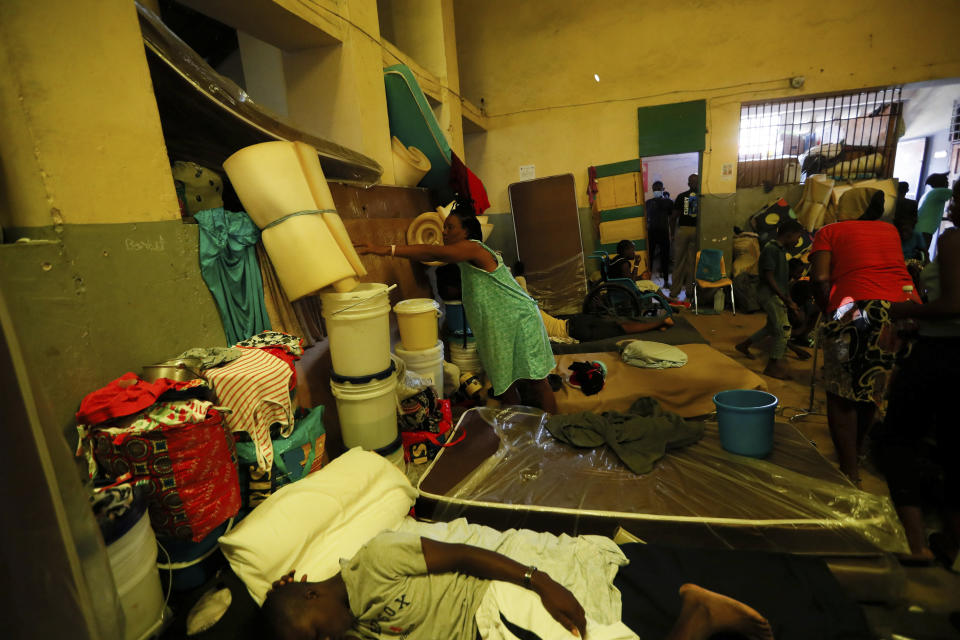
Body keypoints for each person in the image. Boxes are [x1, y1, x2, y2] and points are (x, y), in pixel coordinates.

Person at [260, 531, 775, 640]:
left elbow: (464, 554)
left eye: (317, 634)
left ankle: (698, 615)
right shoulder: (350, 625)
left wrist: (540, 579)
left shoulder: (374, 562)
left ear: (312, 596)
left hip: (494, 612)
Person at [356, 206, 557, 413]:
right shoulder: (467, 260)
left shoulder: (474, 248)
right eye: (444, 227)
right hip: (500, 328)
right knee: (504, 384)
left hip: (519, 320)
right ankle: (517, 433)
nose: (444, 232)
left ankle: (553, 429)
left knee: (536, 381)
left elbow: (433, 251)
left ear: (466, 231)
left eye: (450, 227)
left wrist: (386, 249)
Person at [808, 193, 921, 485]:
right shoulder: (890, 230)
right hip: (903, 310)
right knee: (874, 387)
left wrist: (831, 313)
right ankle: (855, 455)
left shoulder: (829, 231)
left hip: (857, 308)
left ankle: (849, 473)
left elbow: (820, 279)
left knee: (840, 389)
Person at [878, 179, 960, 564]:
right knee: (952, 448)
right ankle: (950, 541)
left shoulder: (953, 240)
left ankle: (917, 544)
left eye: (956, 200)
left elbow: (952, 305)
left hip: (943, 353)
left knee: (898, 440)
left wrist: (906, 312)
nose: (950, 207)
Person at [734, 220, 806, 379]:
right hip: (769, 295)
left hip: (776, 294)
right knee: (783, 330)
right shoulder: (771, 249)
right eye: (797, 237)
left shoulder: (780, 251)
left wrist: (787, 298)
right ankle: (773, 366)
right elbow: (769, 276)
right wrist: (784, 298)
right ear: (789, 235)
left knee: (772, 327)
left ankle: (744, 345)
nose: (797, 241)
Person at [671, 174, 700, 301]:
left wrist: (672, 233)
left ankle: (674, 292)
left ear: (688, 183)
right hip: (697, 231)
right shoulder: (702, 197)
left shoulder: (682, 196)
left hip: (683, 230)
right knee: (692, 263)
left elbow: (673, 217)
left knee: (678, 262)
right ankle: (689, 292)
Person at [645, 181, 673, 283]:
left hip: (653, 233)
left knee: (652, 257)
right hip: (661, 232)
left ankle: (651, 280)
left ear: (662, 189)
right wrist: (672, 233)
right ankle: (664, 281)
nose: (657, 191)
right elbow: (672, 219)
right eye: (655, 189)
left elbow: (671, 218)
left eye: (658, 189)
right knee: (662, 257)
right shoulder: (668, 202)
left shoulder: (648, 203)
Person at [916, 173, 952, 249]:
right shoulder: (939, 191)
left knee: (919, 255)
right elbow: (956, 192)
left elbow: (930, 214)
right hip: (924, 231)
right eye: (946, 180)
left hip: (921, 229)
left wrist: (947, 218)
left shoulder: (930, 193)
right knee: (921, 255)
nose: (948, 182)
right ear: (940, 182)